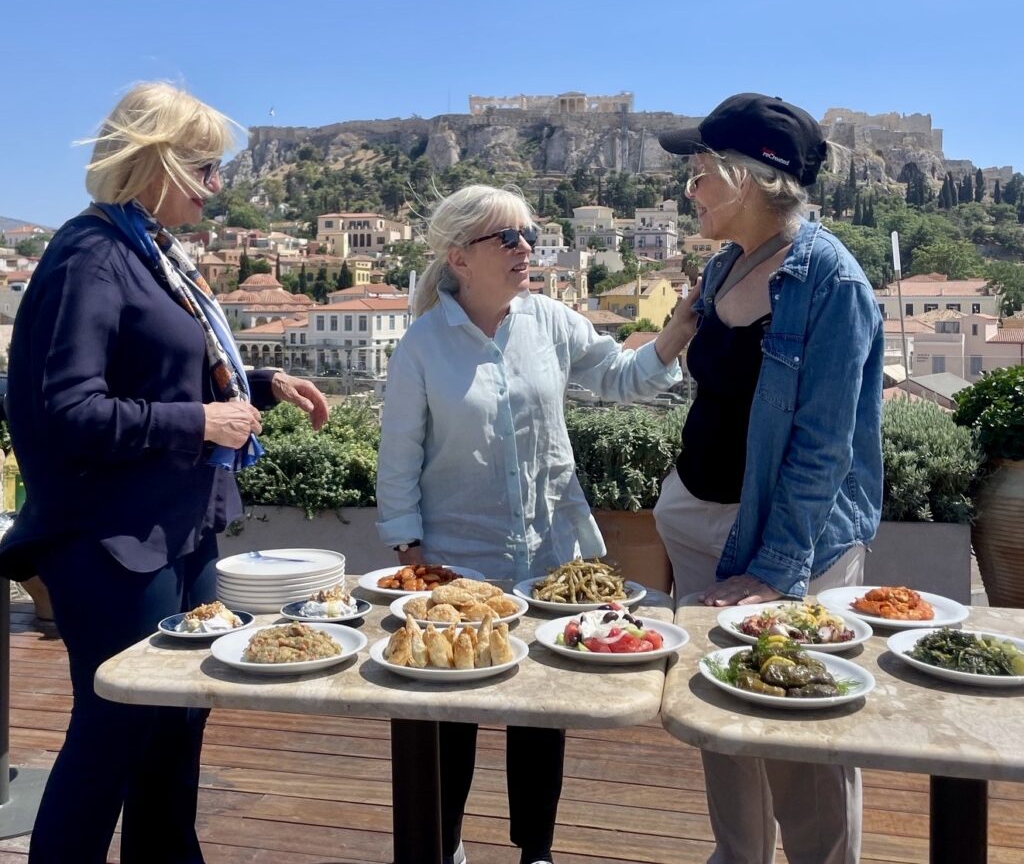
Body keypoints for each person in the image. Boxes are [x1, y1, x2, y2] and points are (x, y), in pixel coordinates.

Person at [0, 82, 329, 864]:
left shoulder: (146, 253)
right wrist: (201, 421)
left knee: (176, 727)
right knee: (113, 731)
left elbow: (159, 377)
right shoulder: (90, 254)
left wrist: (256, 387)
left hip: (176, 534)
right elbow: (63, 409)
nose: (218, 187)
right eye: (207, 167)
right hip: (113, 545)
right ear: (155, 161)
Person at [375, 184, 695, 864]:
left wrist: (681, 328)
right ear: (459, 256)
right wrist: (412, 555)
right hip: (458, 569)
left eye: (530, 233)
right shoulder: (423, 347)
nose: (528, 248)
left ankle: (536, 851)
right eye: (510, 238)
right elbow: (398, 460)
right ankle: (447, 844)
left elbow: (621, 377)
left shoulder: (550, 320)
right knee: (450, 717)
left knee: (541, 710)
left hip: (553, 558)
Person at [654, 93, 884, 864]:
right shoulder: (725, 263)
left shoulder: (833, 283)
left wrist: (772, 570)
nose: (689, 190)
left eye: (698, 175)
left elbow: (822, 448)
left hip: (791, 546)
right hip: (701, 528)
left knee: (802, 732)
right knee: (723, 718)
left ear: (743, 179)